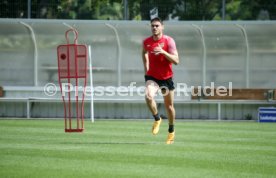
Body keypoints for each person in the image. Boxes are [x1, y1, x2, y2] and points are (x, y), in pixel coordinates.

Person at [142, 17, 179, 144]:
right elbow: (144, 52)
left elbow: (176, 61)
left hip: (166, 78)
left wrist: (163, 52)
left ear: (162, 27)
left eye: (157, 25)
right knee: (148, 96)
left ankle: (171, 132)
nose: (154, 28)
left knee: (169, 107)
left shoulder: (169, 41)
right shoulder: (147, 41)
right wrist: (146, 67)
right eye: (152, 25)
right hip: (152, 77)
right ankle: (157, 118)